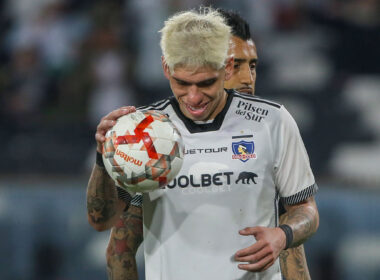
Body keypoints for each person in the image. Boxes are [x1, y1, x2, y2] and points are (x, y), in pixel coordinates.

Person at [87, 7, 319, 280]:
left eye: (206, 83)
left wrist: (284, 234)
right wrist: (104, 158)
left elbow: (305, 209)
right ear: (165, 68)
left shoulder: (272, 121)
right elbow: (105, 225)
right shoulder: (145, 133)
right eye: (182, 83)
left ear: (227, 67)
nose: (194, 97)